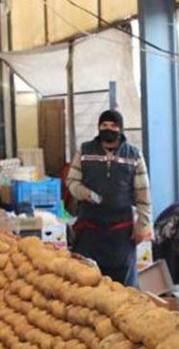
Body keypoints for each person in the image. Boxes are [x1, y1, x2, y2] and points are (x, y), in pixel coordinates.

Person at [66, 110, 153, 286]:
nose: (109, 129)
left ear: (121, 129)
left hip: (121, 232)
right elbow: (71, 181)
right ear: (98, 127)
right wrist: (85, 193)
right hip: (89, 229)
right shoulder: (84, 150)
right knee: (87, 284)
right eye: (104, 125)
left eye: (113, 126)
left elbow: (143, 194)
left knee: (123, 288)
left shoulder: (133, 155)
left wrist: (143, 225)